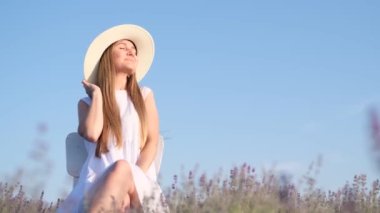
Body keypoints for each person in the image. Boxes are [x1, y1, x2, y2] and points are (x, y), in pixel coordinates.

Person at [58, 24, 168, 212]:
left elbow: (152, 141)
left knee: (122, 168)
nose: (131, 52)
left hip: (139, 182)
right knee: (119, 170)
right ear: (107, 57)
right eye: (123, 48)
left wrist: (129, 181)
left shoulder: (144, 96)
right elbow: (92, 133)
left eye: (134, 50)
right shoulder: (86, 103)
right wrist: (98, 95)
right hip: (95, 184)